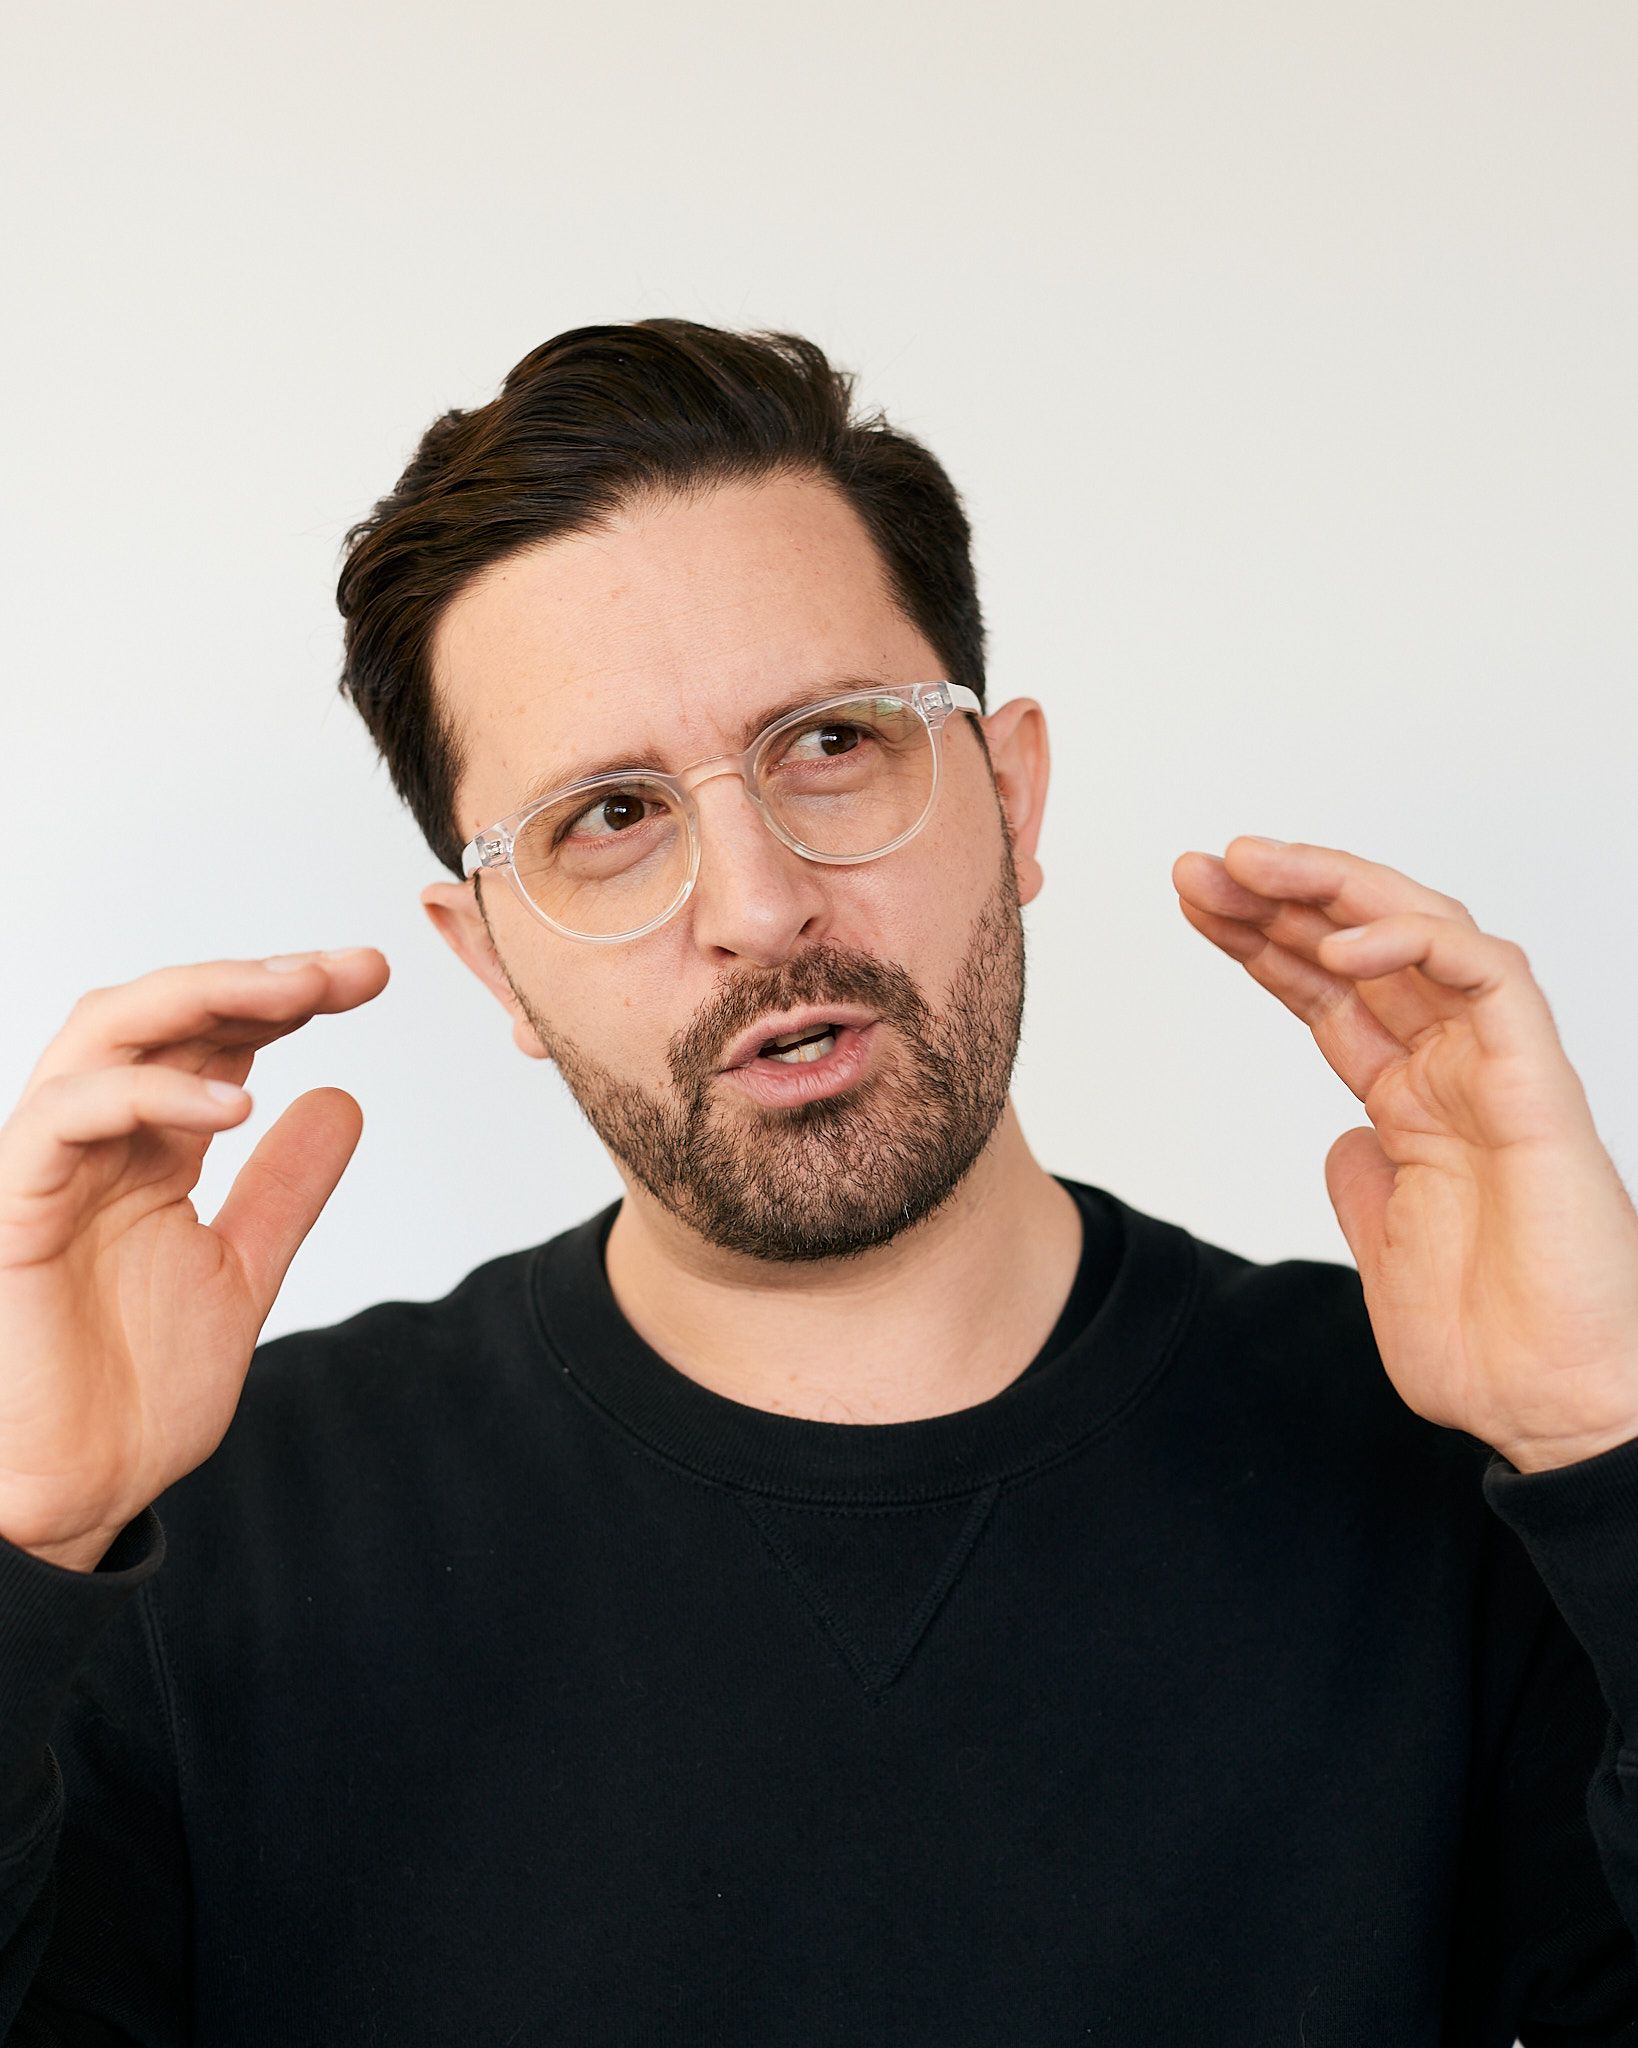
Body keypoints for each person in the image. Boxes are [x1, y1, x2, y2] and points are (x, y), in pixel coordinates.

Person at [1, 319, 1635, 2045]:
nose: (761, 904)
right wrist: (18, 1540)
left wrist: (1611, 1444)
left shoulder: (1472, 1476)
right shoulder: (188, 1544)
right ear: (491, 964)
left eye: (835, 742)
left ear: (1008, 798)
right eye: (609, 815)